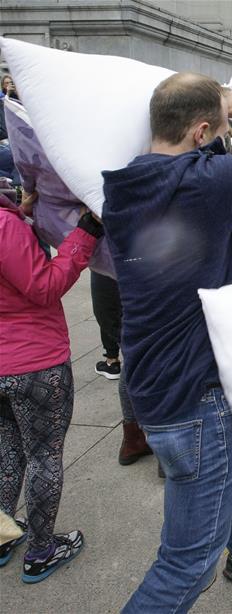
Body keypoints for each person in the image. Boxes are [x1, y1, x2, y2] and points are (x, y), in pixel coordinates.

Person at [102, 72, 232, 611]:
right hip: (195, 396)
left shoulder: (126, 183)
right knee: (187, 564)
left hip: (159, 377)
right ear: (199, 132)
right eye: (212, 132)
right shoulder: (201, 184)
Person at [0, 193, 102, 582]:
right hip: (34, 361)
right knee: (44, 454)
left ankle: (3, 534)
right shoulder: (3, 225)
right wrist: (87, 233)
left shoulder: (8, 220)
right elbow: (44, 286)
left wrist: (20, 213)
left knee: (8, 448)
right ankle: (42, 549)